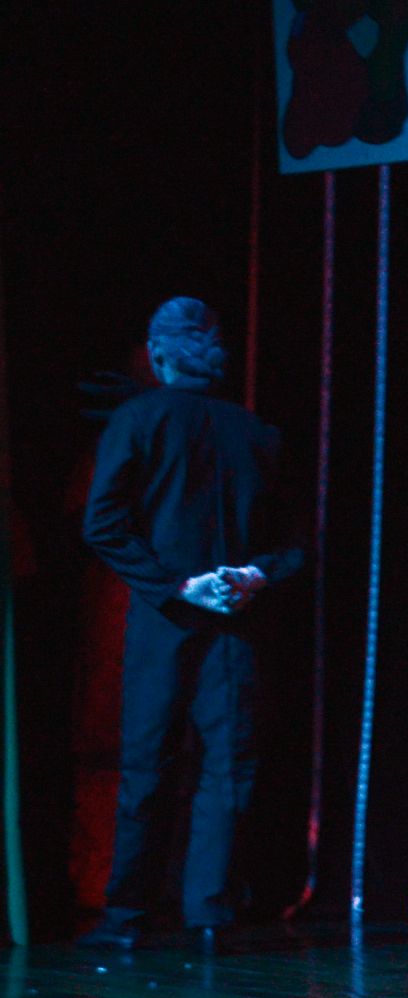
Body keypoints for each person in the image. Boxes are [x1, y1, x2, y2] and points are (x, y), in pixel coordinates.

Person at [77, 298, 303, 948]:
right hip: (237, 623)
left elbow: (103, 524)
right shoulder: (257, 432)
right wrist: (253, 575)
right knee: (228, 769)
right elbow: (294, 545)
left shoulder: (139, 418)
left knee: (147, 766)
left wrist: (174, 587)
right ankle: (209, 915)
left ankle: (127, 918)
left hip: (166, 620)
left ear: (158, 355)